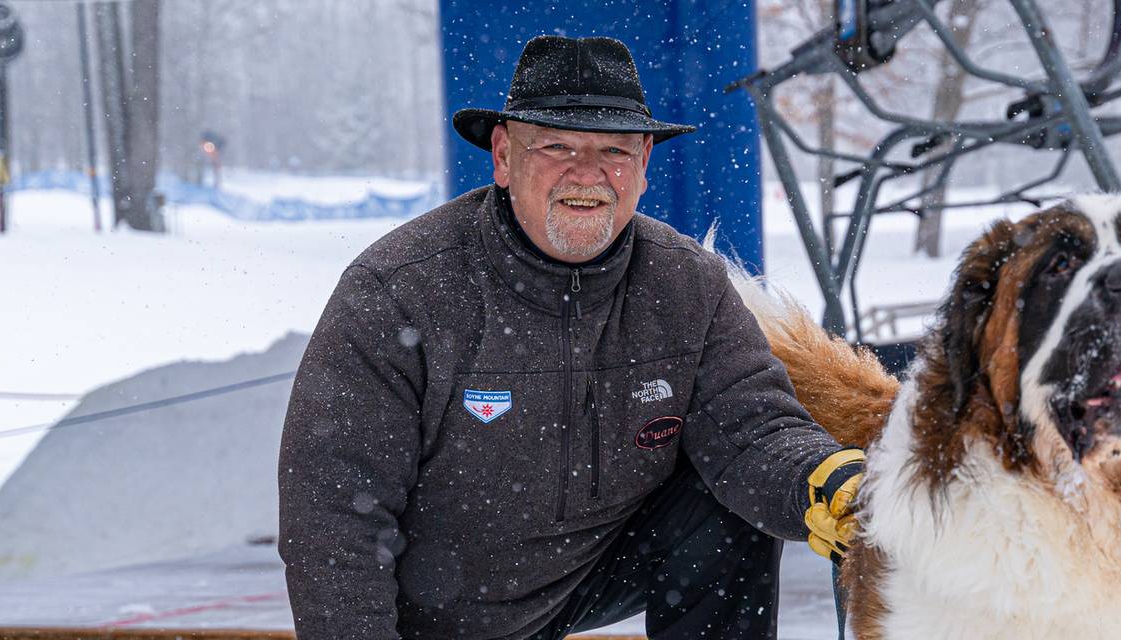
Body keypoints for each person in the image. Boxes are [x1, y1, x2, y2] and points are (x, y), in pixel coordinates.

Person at [278, 35, 864, 640]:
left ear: (642, 166)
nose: (587, 175)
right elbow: (333, 520)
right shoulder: (399, 290)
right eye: (556, 146)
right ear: (503, 157)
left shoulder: (688, 284)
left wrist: (829, 482)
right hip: (438, 609)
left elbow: (753, 431)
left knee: (725, 503)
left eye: (613, 150)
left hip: (587, 575)